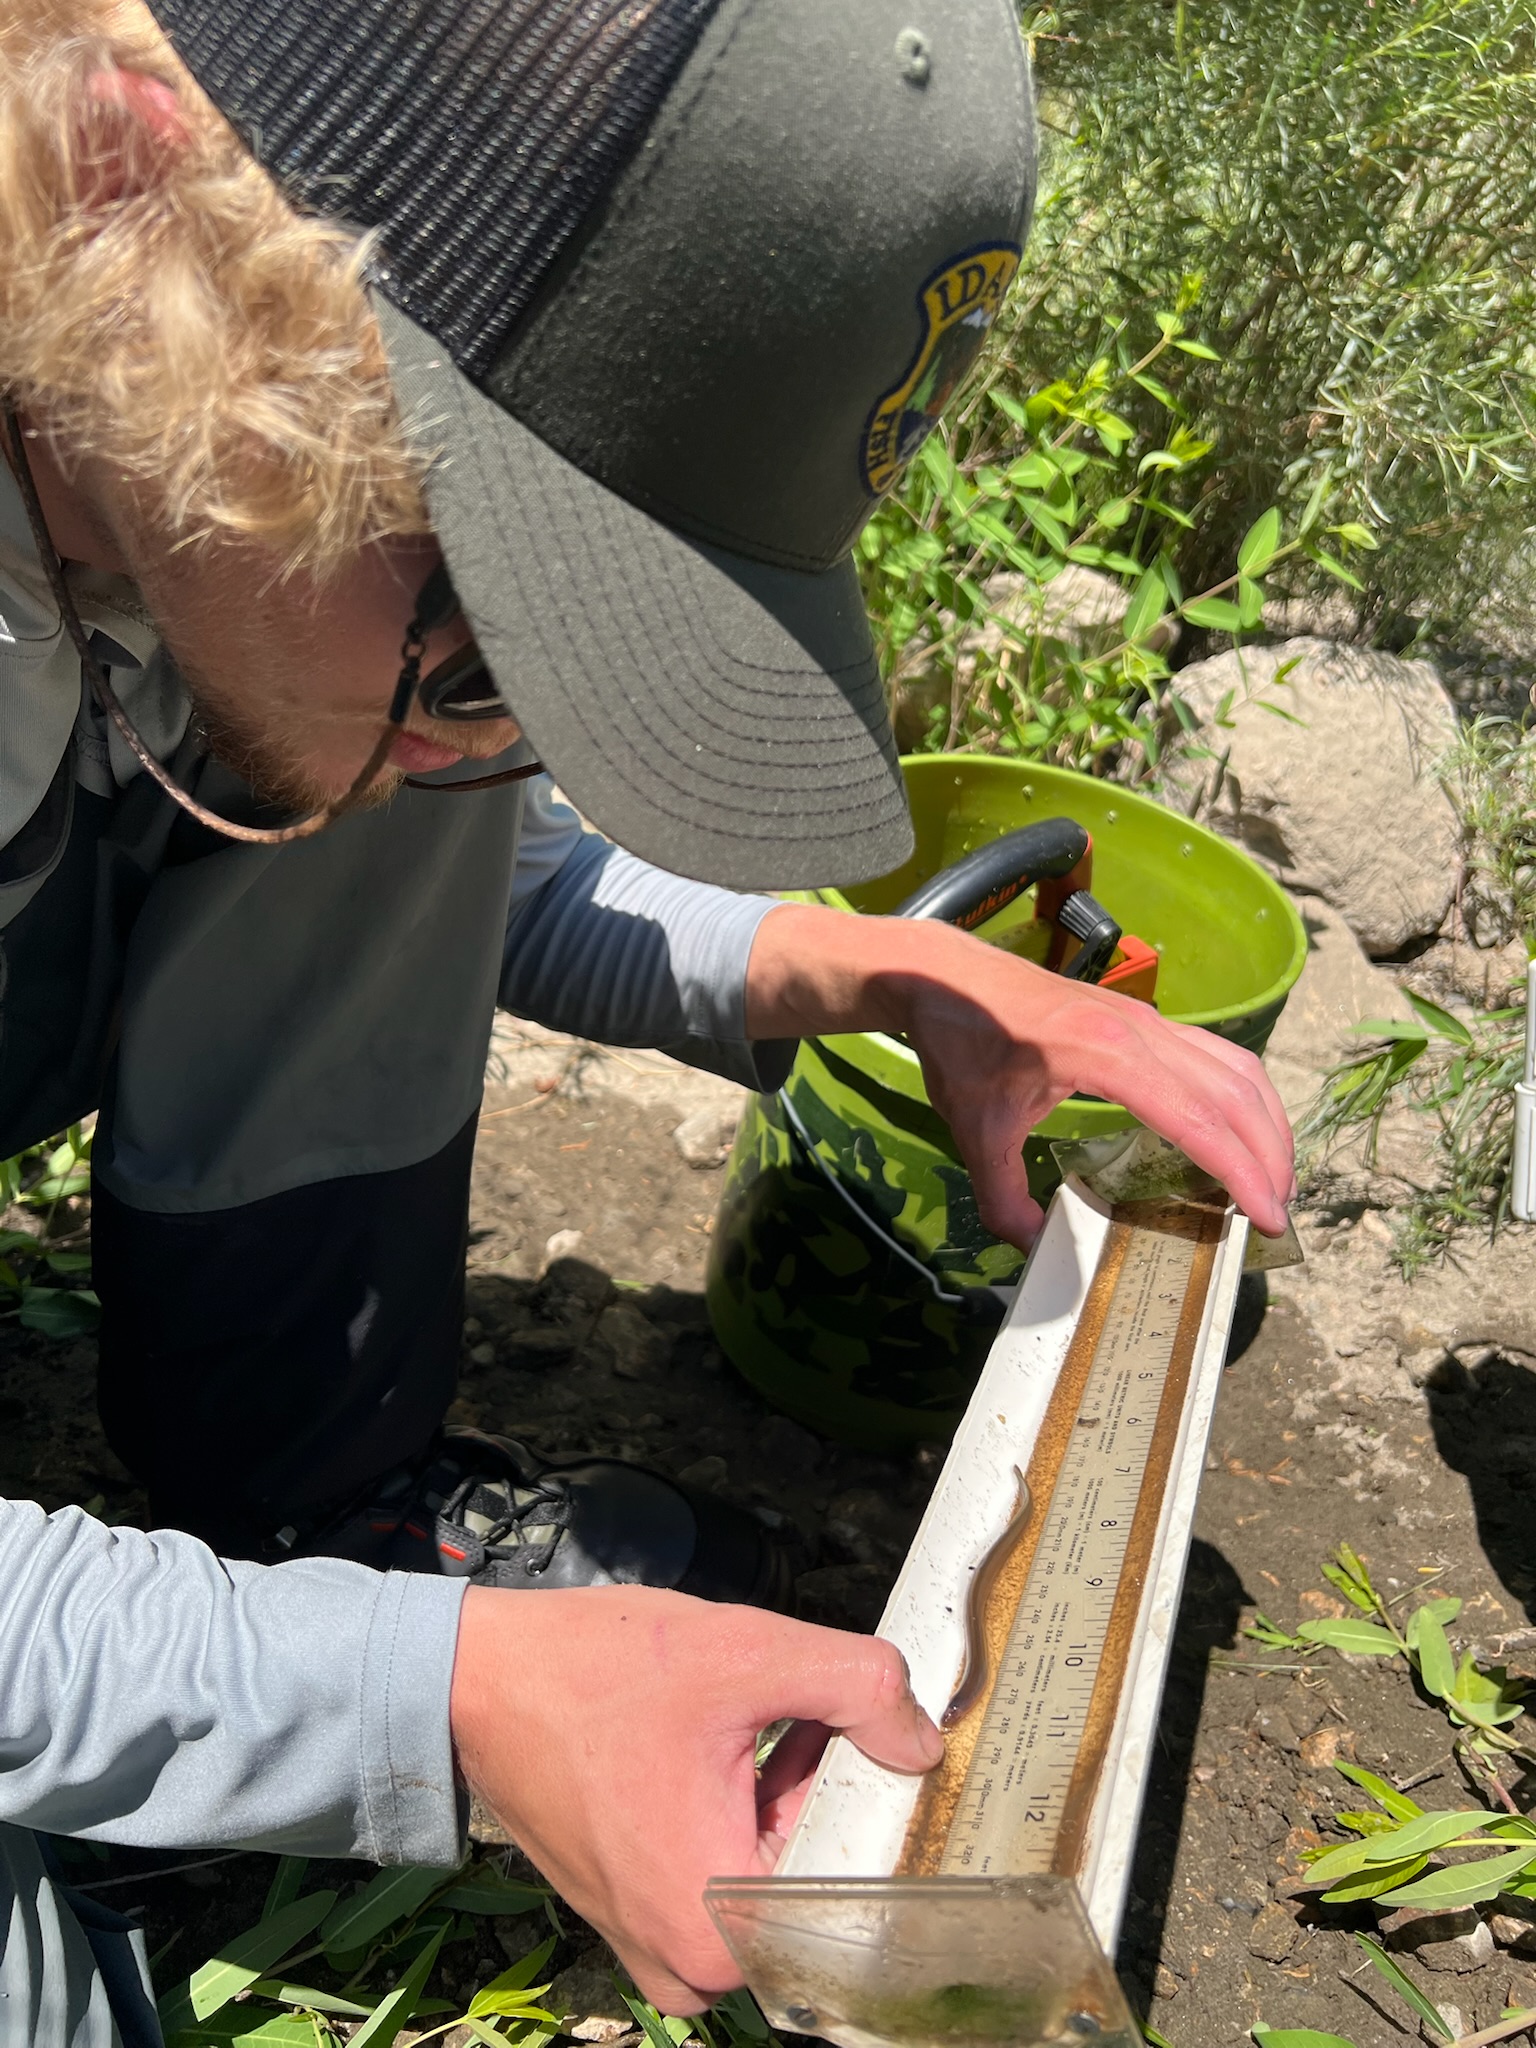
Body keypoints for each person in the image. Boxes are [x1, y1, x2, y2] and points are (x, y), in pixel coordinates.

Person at [0, 0, 1297, 2033]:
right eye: (491, 628)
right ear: (126, 171)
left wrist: (854, 965)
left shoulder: (193, 479)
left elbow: (446, 852)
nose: (493, 744)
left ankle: (304, 1508)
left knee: (364, 725)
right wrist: (438, 1701)